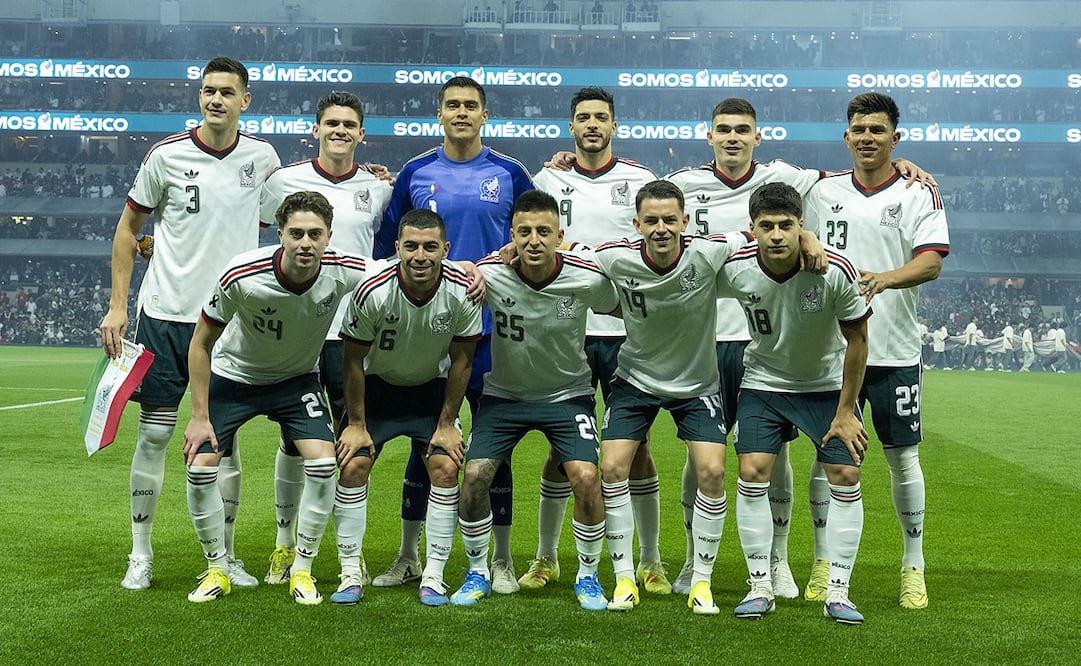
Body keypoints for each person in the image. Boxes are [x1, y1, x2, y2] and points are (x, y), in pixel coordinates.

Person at [663, 97, 932, 598]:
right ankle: (691, 564)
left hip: (772, 343)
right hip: (704, 341)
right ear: (709, 135)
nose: (732, 137)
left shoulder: (790, 178)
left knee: (774, 456)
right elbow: (655, 229)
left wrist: (896, 168)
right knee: (703, 457)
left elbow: (849, 177)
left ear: (757, 137)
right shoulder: (681, 183)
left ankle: (780, 563)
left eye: (743, 129)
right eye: (723, 129)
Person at [591, 179, 822, 615]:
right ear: (636, 223)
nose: (661, 228)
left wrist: (807, 235)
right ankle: (624, 577)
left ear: (685, 221)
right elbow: (561, 258)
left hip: (698, 385)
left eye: (669, 219)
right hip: (635, 380)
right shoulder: (612, 256)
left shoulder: (710, 249)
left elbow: (763, 234)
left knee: (713, 473)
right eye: (652, 220)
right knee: (611, 467)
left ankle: (701, 581)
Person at [100, 56, 280, 591]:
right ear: (199, 97)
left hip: (229, 323)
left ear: (245, 101)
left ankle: (224, 558)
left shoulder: (263, 158)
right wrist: (117, 306)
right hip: (166, 317)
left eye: (227, 92)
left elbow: (292, 208)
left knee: (224, 443)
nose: (215, 99)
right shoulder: (166, 156)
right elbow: (128, 229)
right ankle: (140, 553)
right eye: (208, 91)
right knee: (154, 436)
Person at [370, 76, 534, 594]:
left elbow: (534, 237)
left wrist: (509, 254)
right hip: (424, 332)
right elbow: (387, 245)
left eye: (471, 106)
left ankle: (501, 559)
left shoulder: (510, 173)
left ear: (485, 115)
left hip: (489, 333)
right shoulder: (416, 172)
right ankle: (407, 555)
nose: (461, 113)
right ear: (438, 114)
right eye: (452, 106)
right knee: (427, 442)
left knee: (491, 445)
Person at [181, 190, 374, 604]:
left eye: (315, 234)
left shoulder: (344, 269)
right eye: (297, 233)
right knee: (199, 467)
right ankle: (217, 567)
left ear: (329, 237)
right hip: (234, 378)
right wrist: (199, 416)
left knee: (323, 464)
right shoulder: (241, 275)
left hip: (296, 381)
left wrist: (468, 266)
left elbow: (399, 271)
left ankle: (301, 570)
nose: (306, 243)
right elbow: (200, 344)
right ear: (280, 235)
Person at [803, 92, 950, 610]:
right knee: (829, 461)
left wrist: (885, 279)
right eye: (858, 129)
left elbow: (931, 261)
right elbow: (756, 185)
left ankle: (914, 564)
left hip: (893, 348)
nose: (867, 137)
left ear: (895, 138)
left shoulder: (918, 192)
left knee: (902, 458)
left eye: (877, 130)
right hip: (832, 351)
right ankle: (822, 561)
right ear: (846, 137)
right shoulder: (818, 191)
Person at [527, 87, 669, 595]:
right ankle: (546, 558)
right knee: (561, 449)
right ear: (571, 127)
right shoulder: (549, 178)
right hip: (564, 331)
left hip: (624, 333)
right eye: (583, 118)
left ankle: (649, 561)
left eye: (600, 118)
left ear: (614, 126)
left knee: (638, 449)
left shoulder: (640, 181)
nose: (592, 125)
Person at [450, 190, 619, 610]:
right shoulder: (493, 272)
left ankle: (587, 575)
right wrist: (472, 264)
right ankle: (477, 570)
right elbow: (449, 273)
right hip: (504, 397)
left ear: (560, 236)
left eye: (544, 232)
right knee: (473, 478)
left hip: (568, 396)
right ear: (512, 235)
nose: (533, 240)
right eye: (524, 232)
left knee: (585, 478)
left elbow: (626, 306)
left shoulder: (586, 277)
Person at [259, 91, 392, 589]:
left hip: (353, 333)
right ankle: (283, 542)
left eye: (349, 124)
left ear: (361, 134)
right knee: (294, 440)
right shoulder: (283, 181)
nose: (340, 130)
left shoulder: (376, 190)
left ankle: (345, 554)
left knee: (352, 440)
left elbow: (383, 251)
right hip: (297, 330)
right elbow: (258, 238)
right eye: (331, 122)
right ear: (315, 129)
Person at [723, 182, 870, 624]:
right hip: (764, 382)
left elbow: (859, 339)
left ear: (801, 226)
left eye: (787, 226)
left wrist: (846, 411)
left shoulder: (834, 270)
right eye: (766, 226)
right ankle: (760, 585)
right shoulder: (734, 266)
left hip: (826, 387)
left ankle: (839, 592)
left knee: (845, 473)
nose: (776, 235)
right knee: (752, 471)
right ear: (752, 230)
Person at [338, 209, 482, 607]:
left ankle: (432, 573)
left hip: (430, 391)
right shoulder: (372, 290)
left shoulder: (462, 290)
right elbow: (352, 360)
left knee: (445, 465)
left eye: (431, 247)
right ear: (397, 247)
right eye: (412, 246)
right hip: (377, 389)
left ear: (445, 250)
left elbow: (462, 360)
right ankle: (350, 570)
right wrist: (355, 423)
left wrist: (448, 423)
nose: (421, 256)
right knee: (353, 463)